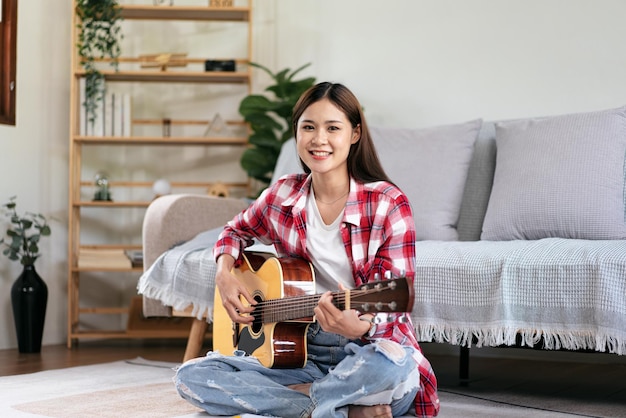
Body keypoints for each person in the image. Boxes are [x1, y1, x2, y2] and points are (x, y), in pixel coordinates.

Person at [174, 82, 440, 418]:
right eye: (308, 127)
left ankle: (305, 402)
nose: (319, 139)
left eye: (333, 128)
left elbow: (394, 311)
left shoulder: (388, 204)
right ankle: (341, 408)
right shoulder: (283, 195)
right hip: (296, 356)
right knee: (191, 377)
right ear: (296, 133)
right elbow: (234, 231)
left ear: (355, 134)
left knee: (394, 367)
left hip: (364, 353)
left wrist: (361, 328)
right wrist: (225, 273)